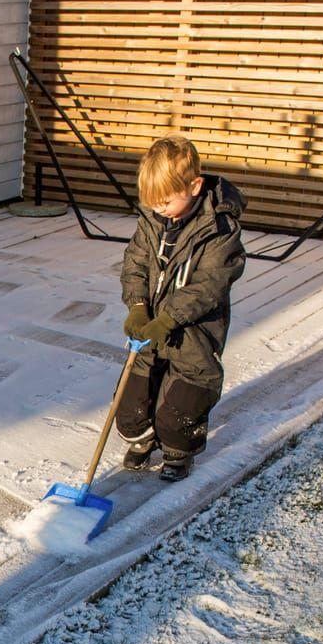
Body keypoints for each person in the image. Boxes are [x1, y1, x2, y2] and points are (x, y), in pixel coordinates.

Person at [116, 135, 246, 482]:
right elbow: (136, 263)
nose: (159, 208)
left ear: (194, 185)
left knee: (182, 403)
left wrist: (170, 318)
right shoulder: (151, 221)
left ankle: (177, 451)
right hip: (150, 328)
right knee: (131, 406)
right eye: (152, 202)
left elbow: (212, 283)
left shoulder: (219, 227)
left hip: (194, 331)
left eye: (166, 201)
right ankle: (144, 439)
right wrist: (138, 306)